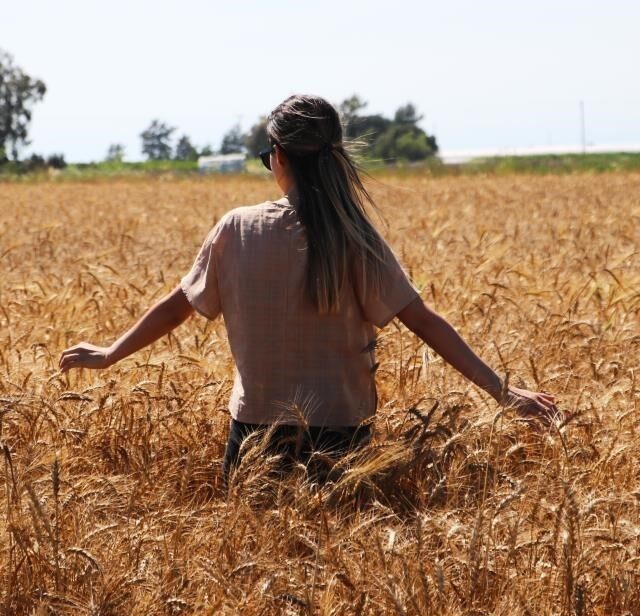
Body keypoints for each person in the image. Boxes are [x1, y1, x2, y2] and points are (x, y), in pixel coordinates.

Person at [59, 94, 559, 481]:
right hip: (342, 442)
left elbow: (176, 307)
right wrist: (504, 392)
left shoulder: (236, 228)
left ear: (278, 155)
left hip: (255, 438)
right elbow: (423, 320)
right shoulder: (354, 236)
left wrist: (109, 354)